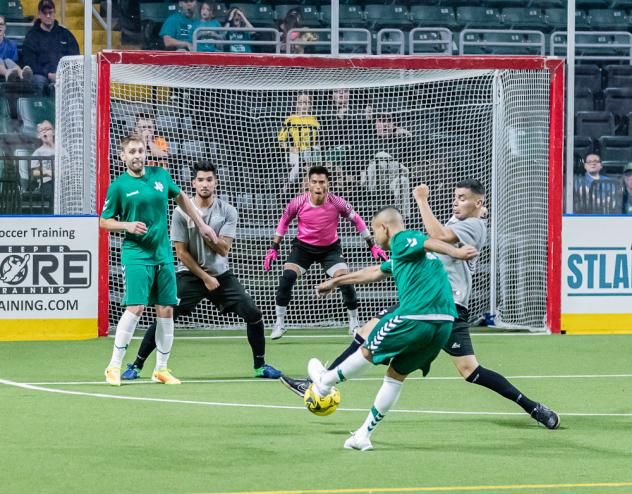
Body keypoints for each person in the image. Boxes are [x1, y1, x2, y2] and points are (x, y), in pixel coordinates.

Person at [282, 179, 561, 432]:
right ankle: (534, 407)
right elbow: (380, 270)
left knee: (465, 370)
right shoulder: (463, 222)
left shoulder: (471, 226)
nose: (456, 201)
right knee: (467, 370)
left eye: (463, 198)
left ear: (478, 202)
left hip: (444, 306)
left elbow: (437, 237)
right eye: (455, 196)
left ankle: (323, 383)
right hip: (429, 306)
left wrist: (422, 200)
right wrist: (336, 282)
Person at [308, 206, 479, 451]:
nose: (375, 238)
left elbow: (428, 241)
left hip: (416, 316)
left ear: (384, 228)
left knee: (367, 351)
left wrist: (457, 252)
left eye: (375, 232)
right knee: (395, 376)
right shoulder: (405, 256)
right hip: (443, 324)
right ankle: (363, 435)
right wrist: (336, 281)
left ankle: (325, 382)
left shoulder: (402, 239)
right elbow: (375, 271)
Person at [121, 161, 282, 381]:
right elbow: (181, 253)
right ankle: (136, 366)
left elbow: (224, 249)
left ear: (216, 183)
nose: (205, 184)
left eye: (209, 180)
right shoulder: (180, 212)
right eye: (200, 180)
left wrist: (209, 235)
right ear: (193, 183)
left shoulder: (228, 211)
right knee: (164, 314)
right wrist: (205, 277)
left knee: (253, 313)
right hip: (191, 275)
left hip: (221, 276)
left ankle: (260, 366)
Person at [101, 135, 216, 386]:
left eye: (140, 150)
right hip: (136, 255)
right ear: (123, 157)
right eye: (132, 151)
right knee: (137, 307)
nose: (137, 155)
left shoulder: (160, 176)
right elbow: (104, 221)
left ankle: (161, 369)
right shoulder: (118, 186)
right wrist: (127, 225)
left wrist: (201, 224)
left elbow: (181, 198)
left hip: (162, 254)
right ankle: (114, 366)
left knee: (166, 309)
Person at [264, 165, 387, 339]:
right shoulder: (297, 203)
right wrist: (273, 249)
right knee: (287, 278)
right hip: (303, 247)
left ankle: (354, 323)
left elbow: (358, 221)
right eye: (314, 182)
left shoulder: (337, 202)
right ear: (308, 183)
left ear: (328, 183)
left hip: (330, 248)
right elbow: (283, 223)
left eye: (322, 182)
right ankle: (279, 323)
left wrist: (372, 246)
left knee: (345, 279)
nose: (318, 186)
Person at [22, 0, 79, 85]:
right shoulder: (31, 36)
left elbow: (75, 57)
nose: (48, 16)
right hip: (42, 76)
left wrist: (62, 74)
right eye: (44, 13)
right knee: (39, 80)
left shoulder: (65, 34)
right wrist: (48, 74)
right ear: (39, 14)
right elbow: (29, 62)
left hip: (64, 76)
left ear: (54, 12)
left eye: (50, 12)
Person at [278, 93, 320, 194]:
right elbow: (281, 141)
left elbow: (318, 142)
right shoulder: (290, 120)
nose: (303, 106)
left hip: (309, 152)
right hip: (294, 152)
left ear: (310, 105)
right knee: (297, 166)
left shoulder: (314, 121)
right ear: (296, 104)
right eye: (300, 103)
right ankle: (288, 184)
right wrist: (290, 148)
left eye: (306, 103)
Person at [0, 15, 33, 82]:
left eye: (1, 24)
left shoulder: (11, 45)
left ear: (5, 27)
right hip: (5, 72)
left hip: (10, 73)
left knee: (8, 60)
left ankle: (22, 74)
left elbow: (12, 63)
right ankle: (7, 74)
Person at [30, 120, 55, 202]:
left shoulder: (62, 150)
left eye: (47, 129)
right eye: (42, 130)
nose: (44, 131)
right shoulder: (37, 153)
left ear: (53, 132)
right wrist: (47, 172)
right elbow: (34, 172)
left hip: (63, 182)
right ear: (38, 135)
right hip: (47, 183)